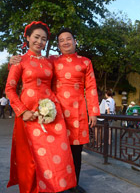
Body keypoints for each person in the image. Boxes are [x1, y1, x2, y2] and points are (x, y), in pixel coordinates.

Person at [5, 21, 76, 193]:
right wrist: (22, 112)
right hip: (28, 113)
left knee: (56, 153)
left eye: (44, 39)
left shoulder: (49, 62)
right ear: (27, 38)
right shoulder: (19, 61)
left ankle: (52, 188)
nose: (40, 42)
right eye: (36, 37)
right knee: (30, 157)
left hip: (51, 112)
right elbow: (9, 89)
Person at [50, 28, 100, 193]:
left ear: (75, 41)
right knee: (57, 150)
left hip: (78, 113)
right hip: (56, 113)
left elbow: (91, 87)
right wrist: (16, 61)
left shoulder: (85, 62)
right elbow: (35, 67)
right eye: (61, 40)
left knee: (76, 152)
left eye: (68, 39)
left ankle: (73, 184)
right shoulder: (52, 60)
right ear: (58, 44)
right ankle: (57, 184)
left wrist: (93, 112)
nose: (65, 42)